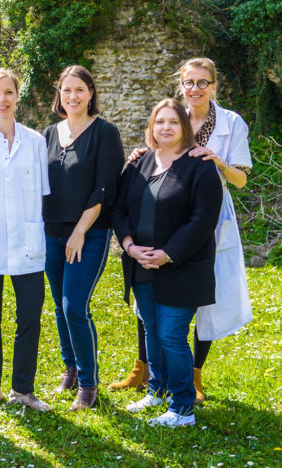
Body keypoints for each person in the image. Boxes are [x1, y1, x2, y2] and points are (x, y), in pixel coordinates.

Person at [109, 58, 253, 403]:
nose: (195, 89)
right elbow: (152, 161)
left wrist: (217, 161)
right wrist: (142, 155)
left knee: (199, 295)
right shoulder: (174, 116)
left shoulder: (231, 123)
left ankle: (193, 376)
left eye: (203, 83)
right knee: (151, 302)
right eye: (189, 83)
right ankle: (146, 371)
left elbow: (241, 179)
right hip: (161, 211)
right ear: (181, 86)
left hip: (207, 212)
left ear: (214, 86)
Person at [112, 98, 222, 426]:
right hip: (140, 264)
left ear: (184, 128)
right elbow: (119, 209)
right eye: (159, 122)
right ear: (151, 127)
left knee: (172, 334)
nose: (166, 128)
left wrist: (167, 253)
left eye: (173, 122)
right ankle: (157, 389)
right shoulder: (138, 164)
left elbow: (203, 220)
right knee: (151, 328)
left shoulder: (199, 166)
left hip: (181, 267)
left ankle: (182, 407)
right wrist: (130, 246)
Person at [42, 65, 124, 411]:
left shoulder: (105, 133)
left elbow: (105, 188)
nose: (72, 96)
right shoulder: (47, 133)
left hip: (89, 233)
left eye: (79, 89)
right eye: (66, 90)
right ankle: (71, 368)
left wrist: (79, 232)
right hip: (50, 232)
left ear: (91, 93)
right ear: (59, 95)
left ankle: (89, 385)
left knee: (76, 305)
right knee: (60, 306)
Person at [0, 69, 51, 412]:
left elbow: (44, 192)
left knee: (30, 317)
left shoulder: (35, 141)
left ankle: (23, 390)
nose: (2, 100)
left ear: (18, 96)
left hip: (27, 240)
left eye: (8, 92)